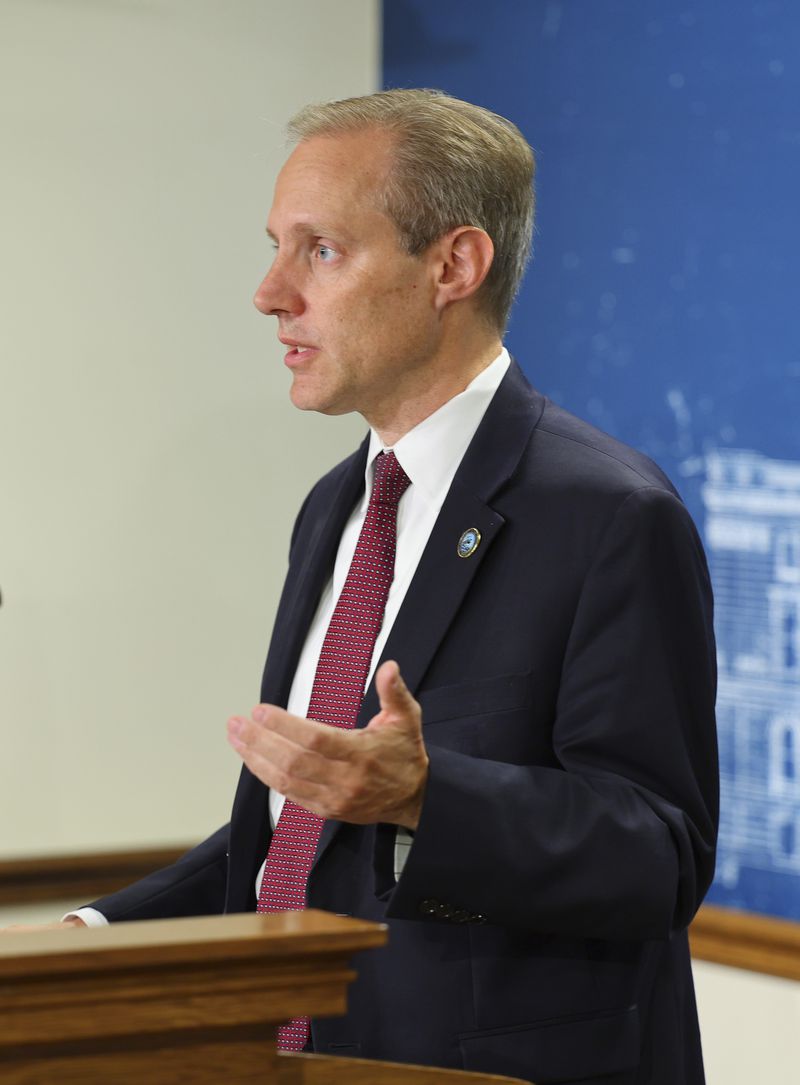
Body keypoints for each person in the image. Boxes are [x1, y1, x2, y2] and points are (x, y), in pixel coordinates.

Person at [65, 90, 718, 1083]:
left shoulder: (610, 513)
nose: (269, 291)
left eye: (319, 250)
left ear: (450, 266)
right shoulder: (337, 503)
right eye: (276, 247)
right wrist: (96, 930)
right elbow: (308, 820)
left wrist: (428, 795)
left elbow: (658, 854)